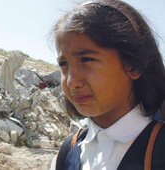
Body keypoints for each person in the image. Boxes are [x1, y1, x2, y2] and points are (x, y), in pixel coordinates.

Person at [50, 0, 165, 169]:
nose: (71, 81)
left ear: (133, 65)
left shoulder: (159, 149)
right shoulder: (69, 152)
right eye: (64, 64)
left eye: (86, 60)